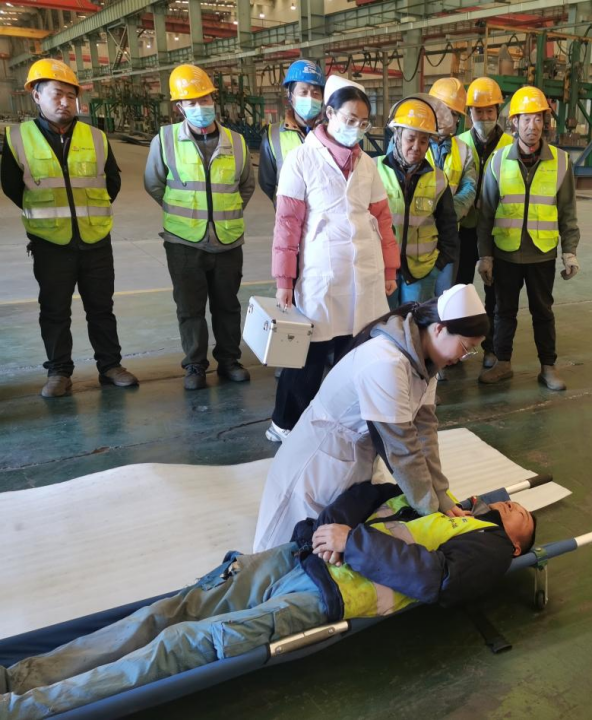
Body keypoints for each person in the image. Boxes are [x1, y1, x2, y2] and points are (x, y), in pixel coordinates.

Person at [1, 480, 536, 720]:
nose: (514, 505)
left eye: (523, 516)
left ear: (518, 545)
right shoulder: (440, 500)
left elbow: (439, 582)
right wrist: (332, 529)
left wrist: (352, 542)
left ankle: (20, 711)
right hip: (295, 558)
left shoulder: (490, 547)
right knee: (162, 614)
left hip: (322, 597)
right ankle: (20, 677)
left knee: (178, 644)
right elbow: (367, 493)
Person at [254, 283, 489, 551]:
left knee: (331, 543)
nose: (464, 357)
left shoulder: (426, 364)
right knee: (290, 545)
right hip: (319, 463)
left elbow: (425, 432)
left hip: (355, 457)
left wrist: (442, 496)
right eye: (466, 347)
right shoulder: (386, 362)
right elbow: (402, 449)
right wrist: (430, 510)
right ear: (439, 329)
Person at [266, 75, 400, 443]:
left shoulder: (367, 164)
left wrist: (389, 268)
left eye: (363, 122)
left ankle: (344, 421)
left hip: (364, 275)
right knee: (308, 356)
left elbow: (382, 219)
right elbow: (287, 224)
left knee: (354, 354)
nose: (356, 128)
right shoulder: (301, 159)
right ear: (329, 113)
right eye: (349, 119)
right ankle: (285, 424)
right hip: (321, 276)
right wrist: (284, 280)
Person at [1, 59, 137, 398]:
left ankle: (110, 366)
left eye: (71, 96)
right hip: (50, 243)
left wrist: (90, 213)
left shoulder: (96, 137)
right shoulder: (18, 138)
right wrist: (48, 216)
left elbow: (112, 182)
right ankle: (59, 372)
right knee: (54, 310)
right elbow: (12, 187)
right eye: (57, 94)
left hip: (95, 239)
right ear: (37, 96)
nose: (65, 102)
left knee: (101, 308)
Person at [144, 64, 256, 391]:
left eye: (204, 99)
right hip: (183, 243)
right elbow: (154, 184)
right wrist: (187, 215)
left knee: (228, 306)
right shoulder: (165, 140)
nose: (200, 107)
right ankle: (194, 364)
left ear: (213, 99)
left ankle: (229, 360)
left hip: (227, 241)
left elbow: (246, 186)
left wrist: (223, 213)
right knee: (190, 308)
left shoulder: (236, 142)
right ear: (179, 107)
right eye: (191, 102)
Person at [476, 85, 581, 392]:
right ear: (515, 122)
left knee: (543, 312)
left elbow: (568, 211)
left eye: (538, 119)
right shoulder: (498, 161)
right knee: (503, 312)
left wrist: (570, 252)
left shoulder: (561, 161)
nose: (532, 126)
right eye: (526, 119)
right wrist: (485, 255)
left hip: (542, 253)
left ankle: (548, 367)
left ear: (544, 123)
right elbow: (486, 214)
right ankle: (503, 363)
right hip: (505, 252)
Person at [376, 96, 458, 309]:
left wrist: (437, 266)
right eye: (410, 138)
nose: (416, 147)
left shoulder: (438, 178)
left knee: (414, 325)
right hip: (382, 271)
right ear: (397, 136)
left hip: (422, 273)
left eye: (423, 141)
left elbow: (448, 228)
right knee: (384, 324)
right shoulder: (374, 171)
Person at [456, 76, 514, 369]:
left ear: (498, 111)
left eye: (489, 111)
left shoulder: (510, 145)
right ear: (469, 113)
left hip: (497, 230)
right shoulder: (459, 144)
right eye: (478, 111)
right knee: (461, 289)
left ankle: (492, 347)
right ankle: (459, 346)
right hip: (465, 230)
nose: (484, 117)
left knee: (496, 293)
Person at [426, 77, 478, 296]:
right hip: (413, 236)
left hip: (448, 236)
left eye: (454, 113)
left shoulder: (464, 150)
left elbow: (469, 190)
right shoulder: (409, 142)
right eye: (444, 110)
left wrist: (445, 215)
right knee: (414, 299)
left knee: (444, 298)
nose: (449, 117)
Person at [258, 58, 326, 205]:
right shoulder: (272, 135)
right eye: (303, 92)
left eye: (315, 93)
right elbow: (267, 184)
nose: (310, 98)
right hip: (289, 215)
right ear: (290, 95)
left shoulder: (332, 132)